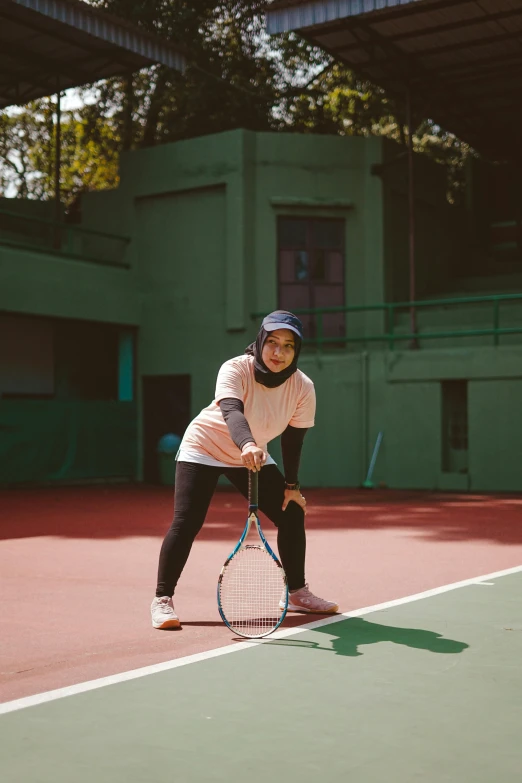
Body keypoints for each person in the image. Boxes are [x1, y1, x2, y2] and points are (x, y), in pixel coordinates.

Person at [151, 310, 339, 629]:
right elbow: (232, 412)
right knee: (187, 521)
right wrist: (248, 444)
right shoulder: (235, 369)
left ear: (297, 351)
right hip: (205, 447)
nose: (279, 353)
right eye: (273, 343)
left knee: (291, 511)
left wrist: (291, 486)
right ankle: (162, 599)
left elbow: (293, 441)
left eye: (289, 346)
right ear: (261, 341)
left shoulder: (302, 387)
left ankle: (296, 592)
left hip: (251, 453)